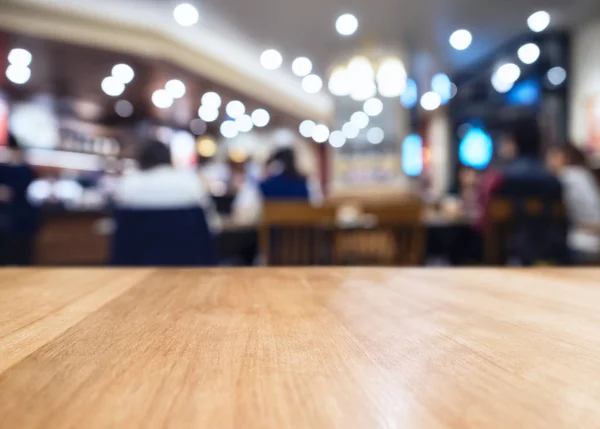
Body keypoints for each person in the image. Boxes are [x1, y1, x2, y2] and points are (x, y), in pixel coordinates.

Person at [480, 118, 565, 265]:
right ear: (540, 143)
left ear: (515, 144)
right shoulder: (553, 180)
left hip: (510, 256)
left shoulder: (503, 180)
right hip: (551, 254)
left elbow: (490, 222)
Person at [115, 140, 220, 232]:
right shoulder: (190, 183)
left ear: (141, 160)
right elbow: (213, 225)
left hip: (138, 253)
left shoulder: (128, 185)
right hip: (187, 252)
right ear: (169, 158)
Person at [546, 144, 600, 262]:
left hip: (582, 242)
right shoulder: (584, 174)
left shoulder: (566, 175)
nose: (549, 161)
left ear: (564, 157)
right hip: (594, 239)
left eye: (553, 156)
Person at [0, 134, 39, 265]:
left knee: (21, 256)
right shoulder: (3, 168)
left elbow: (7, 194)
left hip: (20, 219)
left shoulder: (25, 170)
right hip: (7, 219)